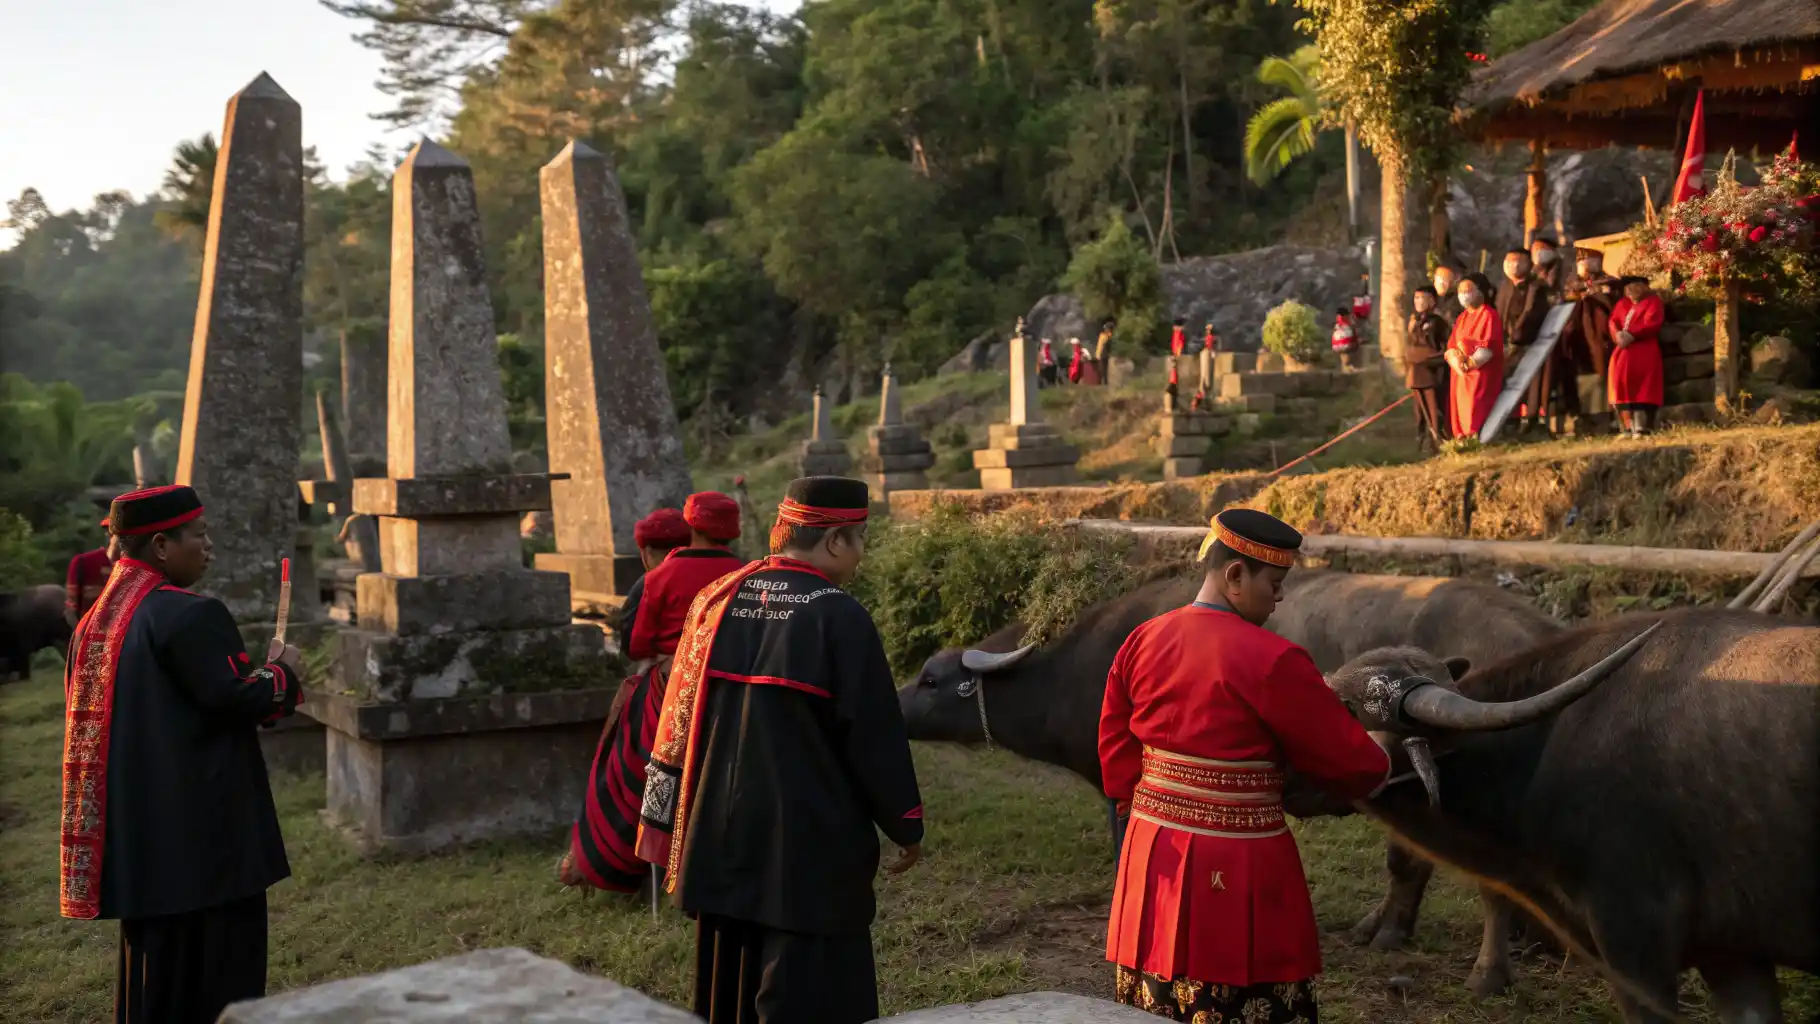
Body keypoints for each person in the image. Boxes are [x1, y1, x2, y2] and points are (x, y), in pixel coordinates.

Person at [637, 476, 923, 1024]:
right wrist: (905, 824)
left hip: (716, 836)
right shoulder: (838, 615)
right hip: (807, 849)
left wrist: (662, 813)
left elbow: (675, 717)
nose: (861, 555)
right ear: (836, 541)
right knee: (808, 994)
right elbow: (873, 738)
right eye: (860, 539)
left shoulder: (715, 600)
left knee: (730, 990)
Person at [1099, 508, 1390, 1022]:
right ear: (1235, 575)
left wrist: (1139, 809)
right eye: (1274, 583)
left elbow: (1115, 742)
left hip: (1151, 849)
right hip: (1240, 859)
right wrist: (1386, 748)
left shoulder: (1142, 639)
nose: (1280, 597)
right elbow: (1358, 766)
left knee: (1154, 998)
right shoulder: (1275, 661)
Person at [62, 485, 305, 1024]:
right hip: (204, 845)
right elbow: (232, 699)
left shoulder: (96, 620)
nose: (209, 546)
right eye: (199, 535)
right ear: (161, 547)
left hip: (140, 843)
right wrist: (282, 672)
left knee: (155, 983)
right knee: (217, 982)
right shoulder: (188, 615)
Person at [560, 507, 696, 895]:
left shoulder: (654, 580)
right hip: (722, 686)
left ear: (646, 552)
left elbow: (633, 645)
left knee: (618, 758)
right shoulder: (735, 571)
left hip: (665, 689)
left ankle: (594, 856)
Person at [626, 492, 746, 665]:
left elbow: (639, 646)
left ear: (690, 525)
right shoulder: (747, 574)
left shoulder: (660, 576)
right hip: (731, 672)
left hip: (673, 674)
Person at [1495, 248, 1557, 434]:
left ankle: (1532, 420)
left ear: (1528, 264)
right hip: (1505, 345)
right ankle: (1510, 420)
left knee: (1532, 384)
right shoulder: (1504, 287)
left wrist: (1517, 336)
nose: (1513, 265)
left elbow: (1532, 313)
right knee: (1507, 382)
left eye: (1518, 261)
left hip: (1529, 342)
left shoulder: (1535, 288)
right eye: (1509, 261)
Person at [1446, 272, 1506, 438]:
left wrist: (1471, 363)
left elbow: (1488, 345)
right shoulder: (1461, 317)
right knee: (1460, 406)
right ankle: (1462, 436)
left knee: (1476, 405)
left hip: (1481, 372)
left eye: (1468, 290)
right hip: (1461, 373)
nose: (1463, 295)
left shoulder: (1488, 314)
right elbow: (1451, 345)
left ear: (1481, 291)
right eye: (1460, 292)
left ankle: (1478, 435)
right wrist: (1456, 360)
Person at [1562, 248, 1619, 422]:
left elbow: (1613, 303)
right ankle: (1583, 416)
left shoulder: (1610, 283)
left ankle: (1608, 416)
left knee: (1603, 371)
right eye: (1581, 261)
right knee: (1579, 373)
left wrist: (1597, 293)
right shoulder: (1571, 286)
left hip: (1601, 337)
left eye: (1588, 260)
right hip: (1578, 338)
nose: (1584, 264)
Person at [1608, 276, 1666, 436]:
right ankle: (1626, 427)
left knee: (1643, 387)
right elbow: (1613, 321)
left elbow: (1651, 321)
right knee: (1620, 386)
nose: (1631, 290)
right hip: (1622, 351)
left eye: (1635, 285)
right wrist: (1618, 334)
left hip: (1644, 349)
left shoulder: (1653, 302)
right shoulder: (1622, 304)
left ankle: (1642, 427)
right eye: (1628, 286)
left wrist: (1632, 334)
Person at [1404, 285, 1452, 452]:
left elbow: (1445, 349)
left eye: (1421, 298)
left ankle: (1438, 444)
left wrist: (1425, 357)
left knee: (1434, 412)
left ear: (1432, 300)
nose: (1418, 301)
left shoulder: (1438, 322)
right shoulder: (1414, 321)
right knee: (1419, 414)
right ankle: (1421, 445)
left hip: (1432, 374)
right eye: (1416, 298)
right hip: (1416, 374)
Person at [65, 529, 120, 625]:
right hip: (87, 632)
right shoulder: (83, 562)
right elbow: (72, 609)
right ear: (110, 535)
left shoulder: (139, 569)